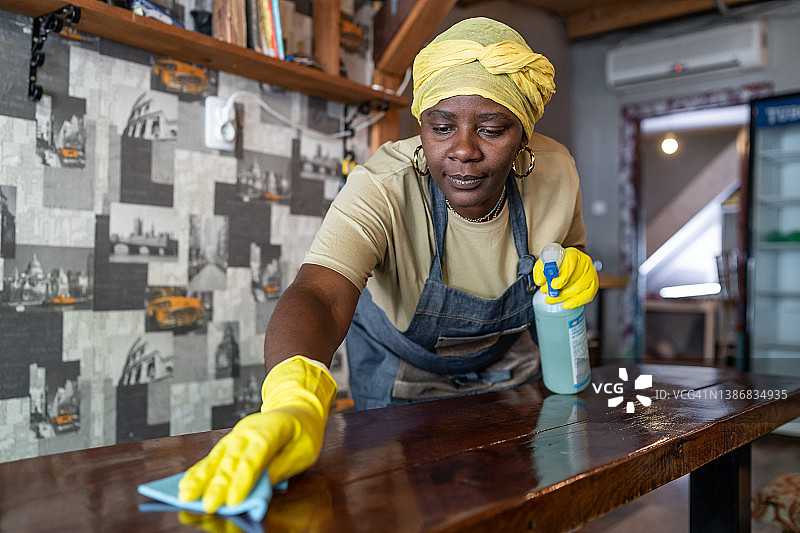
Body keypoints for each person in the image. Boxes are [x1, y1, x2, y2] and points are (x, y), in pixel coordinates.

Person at [178, 17, 599, 513]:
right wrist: (293, 396)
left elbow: (566, 258)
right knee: (400, 509)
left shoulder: (557, 172)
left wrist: (577, 270)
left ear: (523, 134)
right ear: (420, 127)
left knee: (522, 503)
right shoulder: (382, 185)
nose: (463, 150)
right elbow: (320, 292)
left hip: (509, 366)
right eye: (441, 129)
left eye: (492, 129)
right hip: (401, 371)